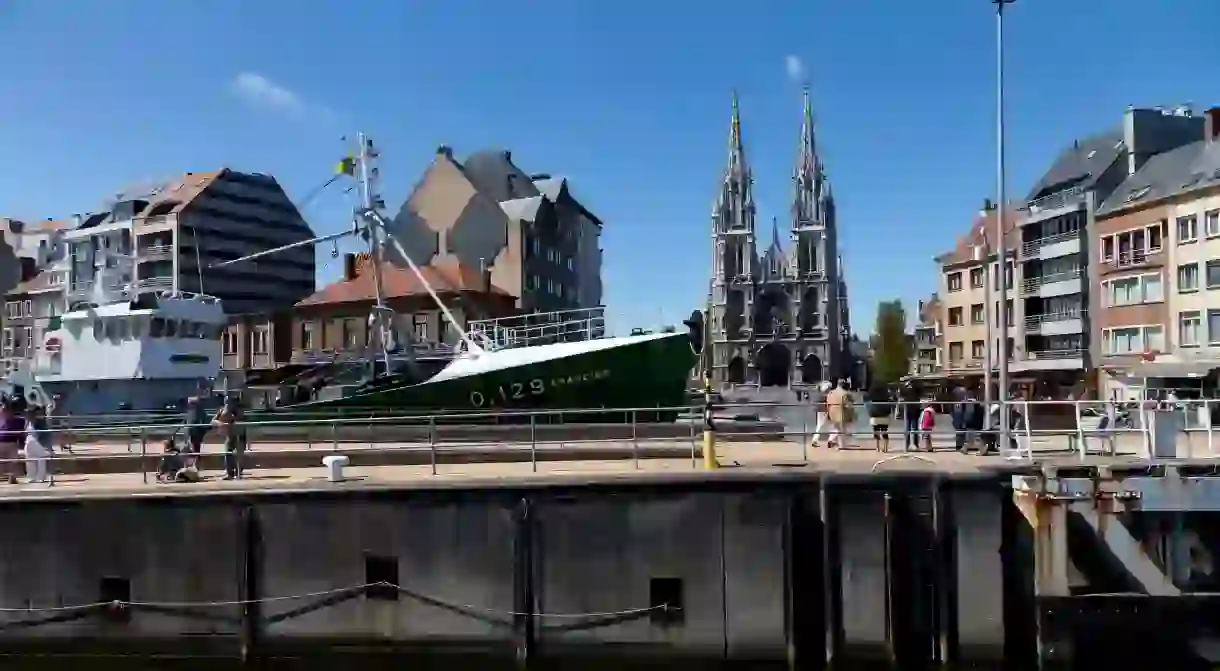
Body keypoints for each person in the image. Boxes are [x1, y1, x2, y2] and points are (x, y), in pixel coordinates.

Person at [213, 394, 246, 480]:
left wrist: (232, 419)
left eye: (229, 401)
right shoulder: (221, 410)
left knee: (239, 455)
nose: (227, 402)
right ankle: (229, 473)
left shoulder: (238, 410)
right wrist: (221, 424)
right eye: (226, 401)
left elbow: (240, 421)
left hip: (239, 434)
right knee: (228, 454)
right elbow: (213, 421)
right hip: (228, 435)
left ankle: (239, 474)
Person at [22, 405, 52, 484]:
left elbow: (45, 434)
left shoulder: (40, 422)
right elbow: (25, 432)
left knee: (41, 457)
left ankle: (41, 477)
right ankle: (31, 476)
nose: (27, 415)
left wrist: (46, 445)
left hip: (38, 442)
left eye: (29, 413)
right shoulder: (27, 422)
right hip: (29, 441)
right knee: (30, 459)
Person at [826, 379, 855, 449]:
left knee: (836, 428)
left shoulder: (831, 392)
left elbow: (827, 403)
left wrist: (828, 412)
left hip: (832, 411)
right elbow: (847, 404)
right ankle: (841, 445)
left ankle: (832, 440)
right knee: (842, 430)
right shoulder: (844, 393)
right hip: (841, 412)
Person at [865, 384, 894, 453]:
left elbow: (866, 400)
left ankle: (877, 448)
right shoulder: (886, 396)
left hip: (875, 415)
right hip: (884, 415)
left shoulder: (872, 395)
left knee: (876, 431)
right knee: (884, 430)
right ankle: (885, 448)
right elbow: (891, 405)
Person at [0, 401, 24, 484]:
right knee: (1, 462)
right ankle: (3, 478)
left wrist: (21, 443)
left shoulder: (18, 420)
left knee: (12, 462)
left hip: (12, 443)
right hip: (1, 443)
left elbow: (20, 433)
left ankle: (12, 478)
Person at [898, 380, 921, 450]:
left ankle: (907, 445)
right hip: (914, 410)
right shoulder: (916, 386)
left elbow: (900, 396)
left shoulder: (903, 387)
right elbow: (920, 392)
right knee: (915, 429)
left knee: (907, 429)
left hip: (907, 410)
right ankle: (915, 445)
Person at [809, 381, 832, 448]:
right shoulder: (824, 395)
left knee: (823, 425)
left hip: (820, 410)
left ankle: (831, 439)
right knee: (823, 425)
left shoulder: (818, 393)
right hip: (823, 411)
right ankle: (830, 440)